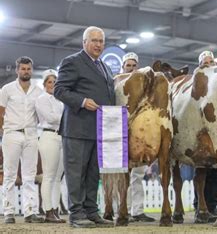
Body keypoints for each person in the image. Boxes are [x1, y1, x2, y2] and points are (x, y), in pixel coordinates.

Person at [54, 26, 115, 228]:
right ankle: (76, 213)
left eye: (101, 41)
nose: (98, 44)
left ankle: (91, 211)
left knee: (93, 174)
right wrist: (82, 101)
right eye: (94, 40)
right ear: (84, 42)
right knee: (76, 173)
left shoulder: (105, 67)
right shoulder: (72, 62)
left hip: (99, 130)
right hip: (77, 129)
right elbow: (60, 90)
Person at [0, 57, 45, 224]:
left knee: (29, 175)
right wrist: (4, 131)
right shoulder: (7, 89)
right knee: (10, 174)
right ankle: (9, 212)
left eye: (28, 69)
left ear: (31, 70)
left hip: (31, 134)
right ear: (17, 70)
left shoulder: (38, 91)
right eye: (23, 69)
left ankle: (30, 211)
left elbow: (41, 114)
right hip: (12, 134)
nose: (26, 71)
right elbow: (0, 112)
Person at [120, 52, 155, 222]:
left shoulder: (145, 88)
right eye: (128, 65)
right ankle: (122, 210)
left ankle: (138, 210)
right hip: (121, 134)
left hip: (139, 136)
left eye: (134, 65)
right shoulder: (117, 84)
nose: (132, 68)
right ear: (123, 67)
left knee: (138, 176)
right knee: (122, 176)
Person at [193, 50, 217, 223]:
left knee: (216, 174)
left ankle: (212, 207)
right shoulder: (197, 84)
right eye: (205, 63)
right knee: (201, 172)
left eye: (211, 62)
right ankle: (200, 207)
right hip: (201, 134)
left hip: (216, 135)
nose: (208, 65)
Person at [35, 69, 66, 223]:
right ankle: (48, 211)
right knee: (48, 175)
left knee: (58, 178)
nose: (52, 84)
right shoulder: (41, 99)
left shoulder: (61, 100)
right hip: (48, 136)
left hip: (62, 136)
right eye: (49, 82)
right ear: (44, 84)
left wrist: (63, 119)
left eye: (55, 82)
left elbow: (58, 118)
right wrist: (66, 118)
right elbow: (50, 118)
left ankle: (55, 210)